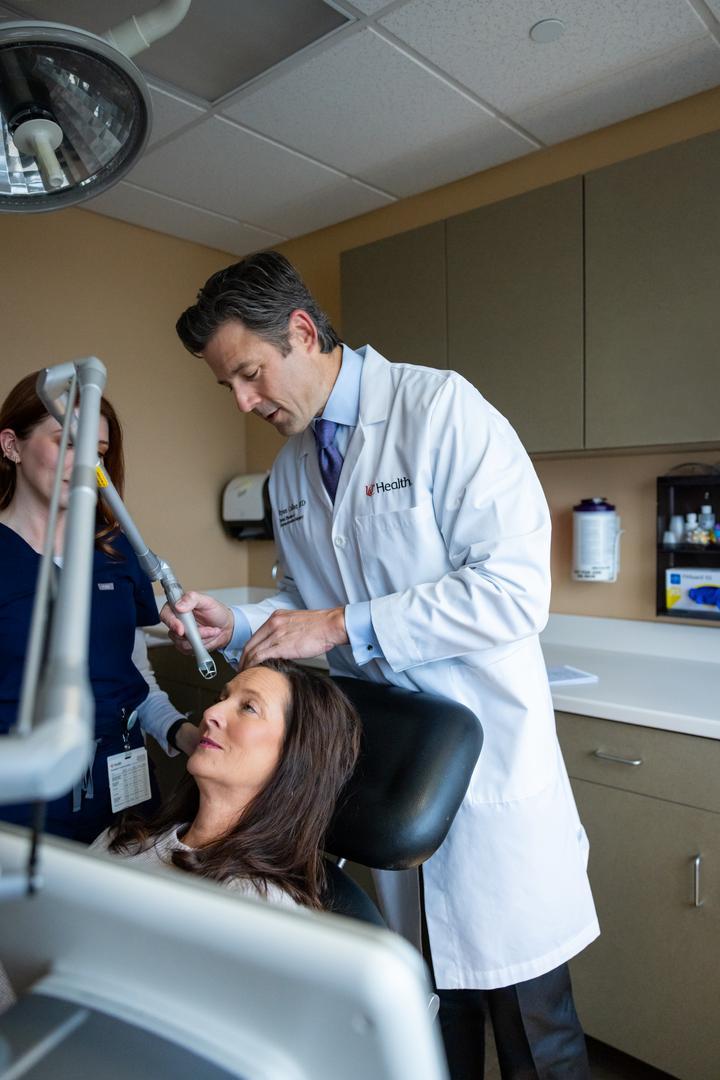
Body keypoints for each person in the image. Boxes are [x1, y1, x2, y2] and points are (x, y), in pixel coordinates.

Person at [163, 252, 600, 1079]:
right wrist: (242, 620)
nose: (246, 402)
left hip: (487, 784)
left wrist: (339, 624)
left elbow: (512, 593)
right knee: (434, 1028)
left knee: (533, 1036)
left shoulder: (440, 411)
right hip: (392, 780)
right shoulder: (292, 468)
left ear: (301, 331)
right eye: (230, 388)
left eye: (250, 375)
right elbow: (305, 596)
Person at [0, 372, 199, 844]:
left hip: (125, 792)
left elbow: (133, 679)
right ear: (11, 446)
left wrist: (181, 734)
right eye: (66, 442)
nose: (85, 462)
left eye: (99, 451)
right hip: (22, 799)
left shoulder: (116, 551)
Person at [91, 660, 360, 911]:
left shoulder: (261, 908)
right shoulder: (122, 842)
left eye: (248, 707)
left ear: (296, 758)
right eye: (220, 698)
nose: (210, 713)